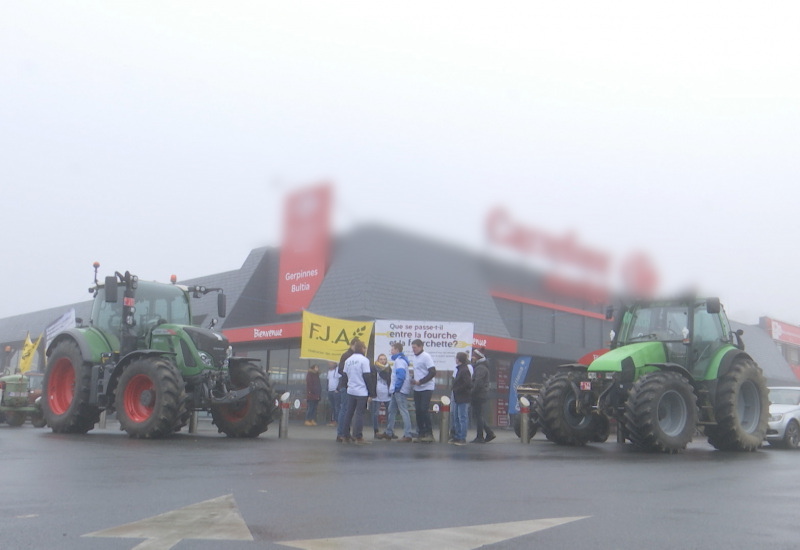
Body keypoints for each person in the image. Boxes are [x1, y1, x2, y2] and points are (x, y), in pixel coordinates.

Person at [379, 342, 413, 441]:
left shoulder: (399, 361)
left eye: (392, 349)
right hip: (397, 390)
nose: (391, 351)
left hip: (399, 390)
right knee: (391, 410)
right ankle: (389, 431)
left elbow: (401, 376)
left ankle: (407, 434)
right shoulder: (400, 360)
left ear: (397, 350)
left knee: (403, 411)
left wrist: (397, 388)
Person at [341, 340, 372, 444]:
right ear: (362, 348)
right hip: (361, 391)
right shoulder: (364, 360)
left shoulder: (348, 360)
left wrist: (346, 387)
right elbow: (367, 377)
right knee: (359, 414)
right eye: (365, 348)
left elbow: (344, 376)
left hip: (351, 390)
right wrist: (371, 393)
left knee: (348, 413)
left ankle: (345, 435)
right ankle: (358, 436)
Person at [411, 338, 436, 443]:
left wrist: (421, 381)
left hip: (426, 387)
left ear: (420, 347)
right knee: (418, 410)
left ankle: (429, 433)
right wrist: (413, 379)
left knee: (423, 409)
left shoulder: (426, 356)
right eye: (412, 348)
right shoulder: (415, 357)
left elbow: (432, 372)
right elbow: (418, 371)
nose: (413, 350)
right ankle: (421, 432)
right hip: (417, 388)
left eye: (415, 347)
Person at [336, 338, 360, 442]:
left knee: (347, 410)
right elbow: (341, 370)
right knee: (345, 409)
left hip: (349, 385)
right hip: (346, 386)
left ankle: (345, 432)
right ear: (353, 345)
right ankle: (341, 433)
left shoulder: (350, 356)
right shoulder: (347, 355)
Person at [471, 349, 496, 443]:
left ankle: (480, 436)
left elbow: (478, 383)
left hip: (479, 395)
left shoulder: (480, 368)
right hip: (481, 394)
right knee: (478, 415)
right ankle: (489, 433)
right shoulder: (481, 367)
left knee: (478, 416)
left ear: (478, 357)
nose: (472, 357)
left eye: (473, 355)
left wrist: (471, 392)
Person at [451, 351, 472, 446]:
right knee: (456, 417)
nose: (455, 359)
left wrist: (457, 389)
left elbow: (468, 384)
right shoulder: (460, 369)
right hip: (458, 396)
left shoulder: (464, 370)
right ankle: (458, 436)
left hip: (463, 397)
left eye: (456, 358)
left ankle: (462, 437)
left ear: (459, 359)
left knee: (462, 417)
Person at [370, 354, 392, 438]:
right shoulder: (374, 368)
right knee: (375, 413)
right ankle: (376, 431)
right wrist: (371, 393)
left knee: (389, 412)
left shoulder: (389, 368)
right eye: (381, 359)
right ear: (378, 360)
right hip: (376, 393)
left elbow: (390, 379)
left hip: (387, 392)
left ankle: (389, 431)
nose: (383, 361)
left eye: (384, 359)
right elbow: (371, 380)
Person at [326, 362, 341, 426]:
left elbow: (340, 380)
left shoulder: (337, 370)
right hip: (330, 391)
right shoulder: (329, 371)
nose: (329, 363)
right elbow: (328, 381)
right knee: (332, 407)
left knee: (337, 407)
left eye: (331, 362)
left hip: (335, 391)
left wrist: (337, 389)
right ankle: (333, 420)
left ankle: (337, 420)